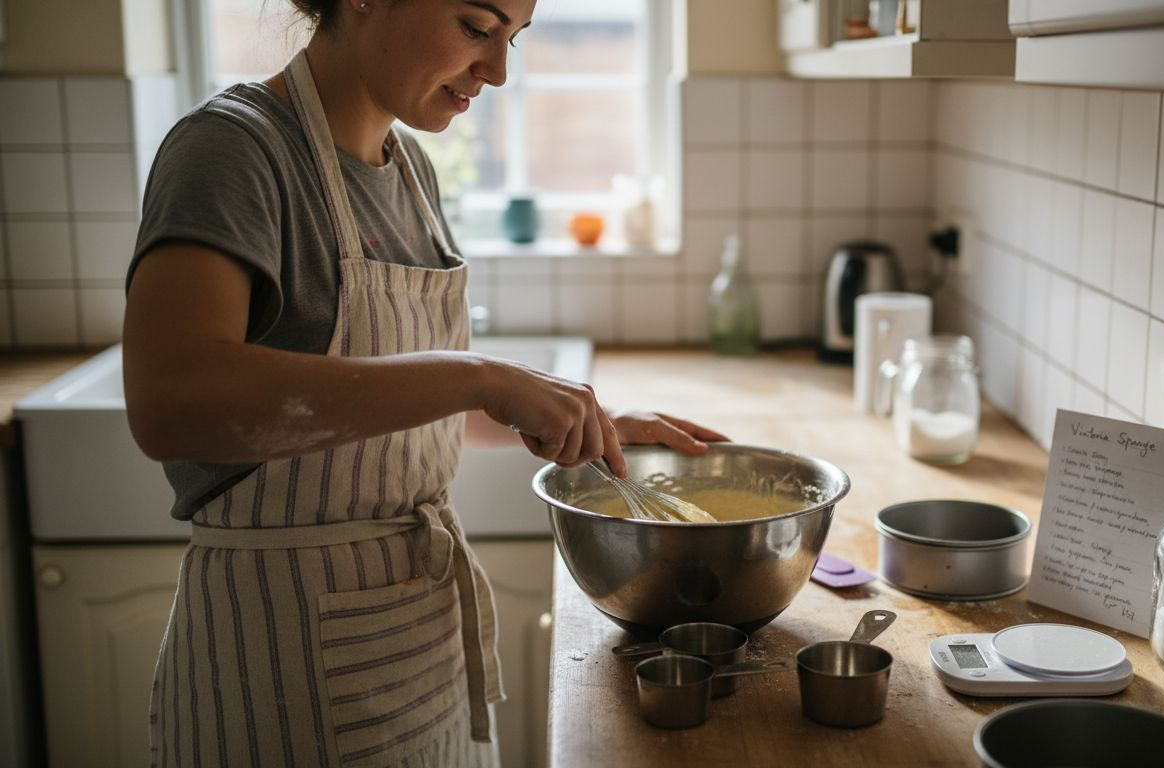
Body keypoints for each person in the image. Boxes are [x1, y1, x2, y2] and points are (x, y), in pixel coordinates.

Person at [122, 1, 727, 765]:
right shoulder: (231, 150)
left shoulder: (408, 170)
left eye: (514, 38)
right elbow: (170, 403)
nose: (499, 71)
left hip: (418, 647)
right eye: (477, 27)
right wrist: (475, 374)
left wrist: (574, 419)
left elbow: (410, 414)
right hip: (278, 660)